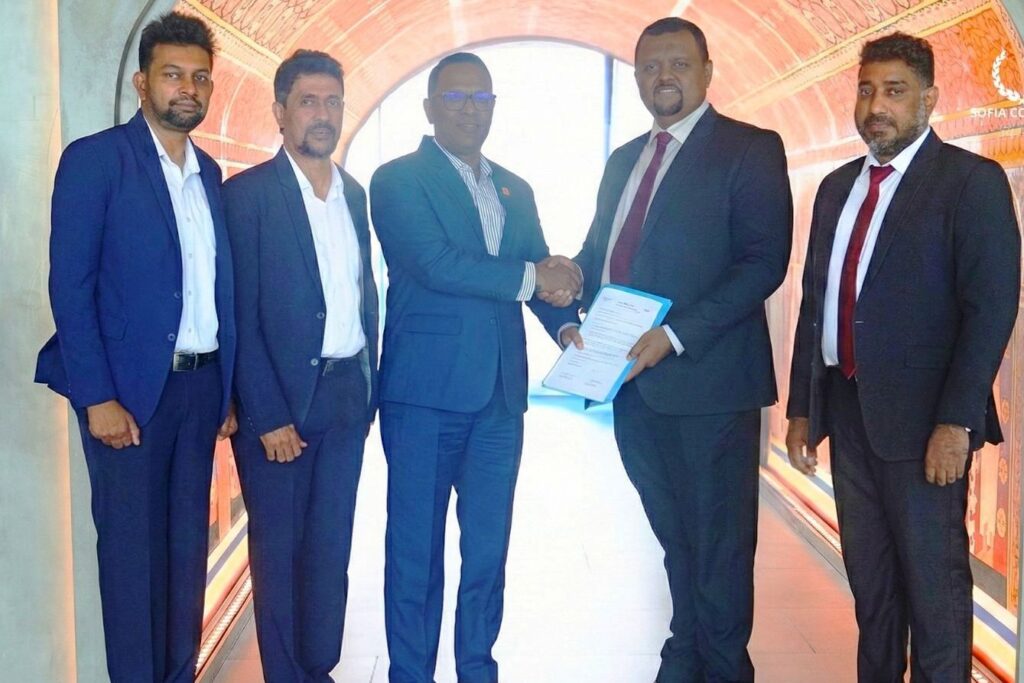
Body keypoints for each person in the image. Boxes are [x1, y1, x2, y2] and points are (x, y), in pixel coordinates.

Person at [786, 32, 1020, 681]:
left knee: (934, 594)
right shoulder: (836, 188)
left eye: (894, 91)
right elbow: (816, 302)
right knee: (873, 593)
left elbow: (990, 309)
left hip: (925, 427)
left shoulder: (969, 183)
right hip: (848, 414)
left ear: (929, 99)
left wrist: (957, 421)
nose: (876, 106)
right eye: (866, 91)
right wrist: (803, 407)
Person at [568, 17, 793, 682]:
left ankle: (721, 666)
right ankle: (685, 651)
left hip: (712, 388)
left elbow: (763, 262)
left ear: (707, 72)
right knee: (675, 537)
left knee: (719, 547)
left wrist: (674, 334)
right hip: (634, 389)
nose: (663, 76)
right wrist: (563, 284)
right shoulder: (624, 160)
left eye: (678, 64)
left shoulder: (750, 149)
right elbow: (601, 253)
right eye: (650, 66)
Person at [34, 12, 237, 682]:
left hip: (199, 392)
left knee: (185, 559)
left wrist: (227, 391)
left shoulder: (209, 173)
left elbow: (215, 290)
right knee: (130, 564)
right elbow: (71, 286)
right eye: (173, 74)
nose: (188, 89)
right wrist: (97, 397)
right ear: (142, 82)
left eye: (200, 78)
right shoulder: (96, 160)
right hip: (127, 397)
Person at [368, 52, 581, 683]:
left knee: (488, 554)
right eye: (456, 97)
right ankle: (410, 674)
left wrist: (566, 324)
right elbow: (436, 263)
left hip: (499, 402)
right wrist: (534, 277)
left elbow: (538, 269)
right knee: (415, 552)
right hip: (423, 398)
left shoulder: (516, 187)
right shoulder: (397, 180)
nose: (470, 109)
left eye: (482, 98)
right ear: (429, 107)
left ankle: (477, 669)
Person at [222, 50, 379, 683]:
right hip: (281, 409)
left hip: (345, 400)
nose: (323, 114)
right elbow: (239, 314)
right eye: (308, 101)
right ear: (280, 112)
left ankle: (320, 667)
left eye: (332, 101)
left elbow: (361, 296)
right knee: (280, 555)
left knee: (329, 549)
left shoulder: (354, 194)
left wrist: (368, 391)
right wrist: (266, 414)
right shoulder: (247, 196)